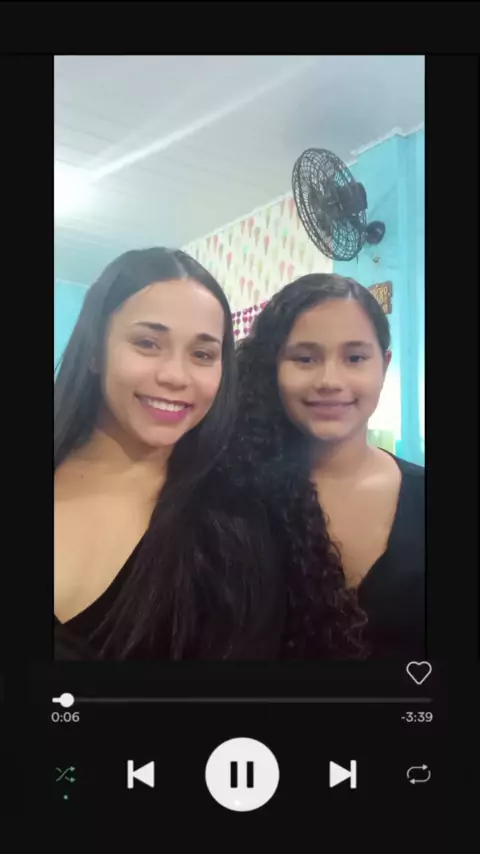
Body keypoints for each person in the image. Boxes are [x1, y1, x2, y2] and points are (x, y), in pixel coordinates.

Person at [54, 247, 286, 660]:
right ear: (94, 351)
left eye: (203, 354)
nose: (176, 376)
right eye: (147, 343)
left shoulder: (235, 527)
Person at [232, 274, 424, 659]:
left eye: (355, 358)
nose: (330, 381)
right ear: (273, 369)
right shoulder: (232, 497)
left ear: (384, 365)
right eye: (305, 359)